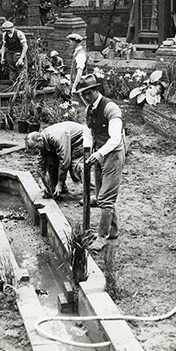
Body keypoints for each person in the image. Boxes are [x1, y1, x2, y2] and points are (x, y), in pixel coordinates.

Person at [77, 74, 125, 252]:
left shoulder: (110, 108)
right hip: (98, 152)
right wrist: (88, 153)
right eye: (83, 94)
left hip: (112, 154)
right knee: (100, 193)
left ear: (96, 90)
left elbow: (115, 138)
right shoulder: (89, 109)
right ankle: (113, 230)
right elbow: (88, 132)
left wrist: (98, 154)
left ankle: (101, 237)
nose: (86, 97)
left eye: (89, 93)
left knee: (105, 197)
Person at [25, 121, 84, 199]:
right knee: (51, 162)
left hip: (80, 140)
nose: (36, 151)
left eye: (36, 147)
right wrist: (42, 185)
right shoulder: (43, 142)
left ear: (39, 140)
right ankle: (59, 190)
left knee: (76, 165)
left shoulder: (55, 138)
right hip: (67, 142)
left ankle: (92, 192)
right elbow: (40, 165)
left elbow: (65, 161)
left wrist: (59, 183)